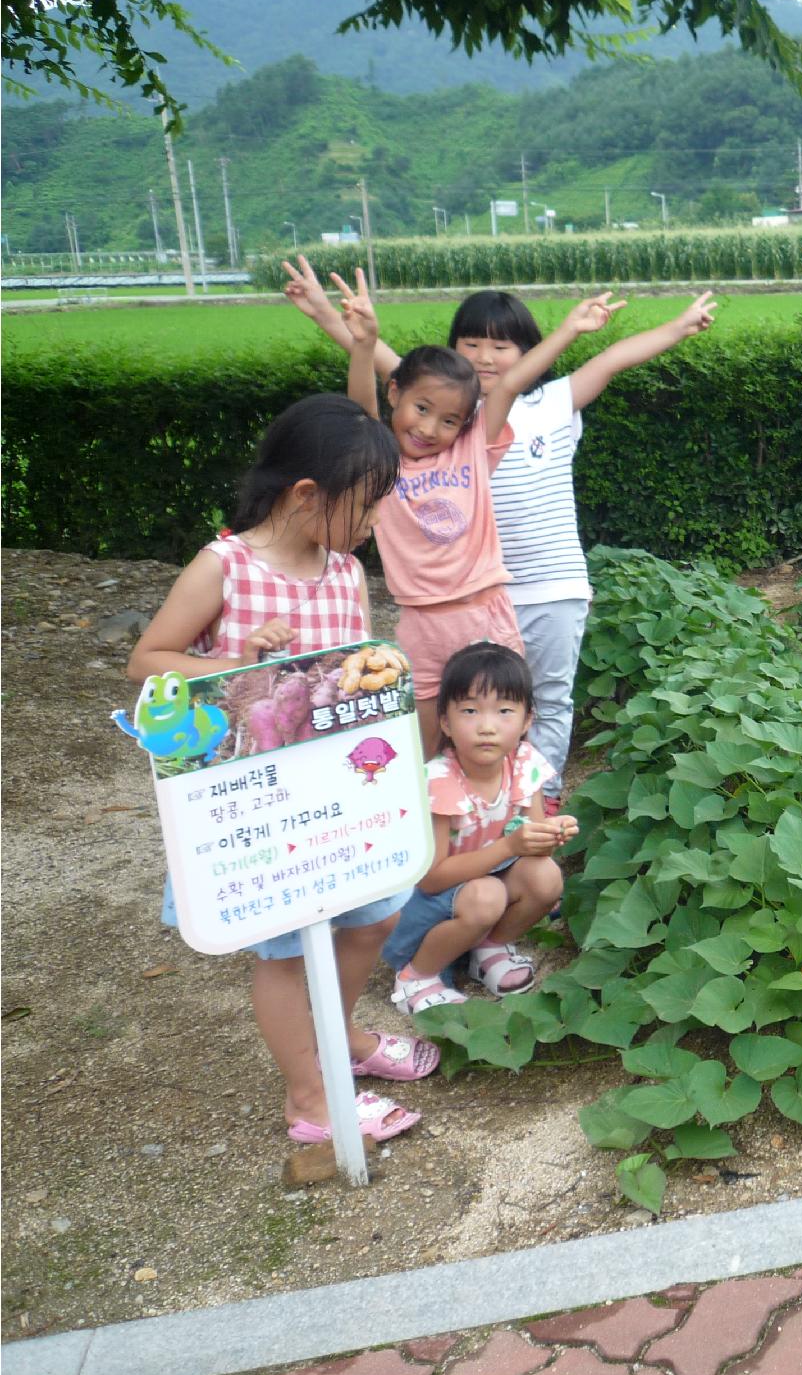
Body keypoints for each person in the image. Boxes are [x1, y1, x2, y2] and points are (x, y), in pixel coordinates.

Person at [282, 259, 717, 796]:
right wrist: (339, 322)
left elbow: (555, 373)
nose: (485, 356)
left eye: (501, 345)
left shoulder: (476, 437)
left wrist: (581, 330)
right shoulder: (396, 452)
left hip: (510, 599)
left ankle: (529, 809)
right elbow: (377, 386)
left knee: (518, 713)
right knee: (430, 735)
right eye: (472, 344)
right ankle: (433, 827)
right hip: (429, 616)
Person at [126, 394, 437, 1144]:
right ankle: (311, 1097)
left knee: (378, 913)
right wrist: (240, 662)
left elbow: (345, 672)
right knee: (287, 949)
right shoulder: (224, 567)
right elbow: (147, 661)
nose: (370, 527)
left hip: (333, 791)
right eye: (364, 509)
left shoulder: (344, 572)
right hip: (256, 794)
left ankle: (342, 1038)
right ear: (306, 497)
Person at [330, 268, 619, 757]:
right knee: (428, 743)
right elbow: (363, 409)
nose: (429, 428)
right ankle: (438, 824)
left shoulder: (471, 452)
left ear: (465, 424)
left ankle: (512, 818)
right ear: (396, 394)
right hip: (420, 622)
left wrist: (569, 330)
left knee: (500, 732)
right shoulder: (383, 465)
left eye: (448, 420)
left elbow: (509, 386)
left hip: (487, 613)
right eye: (421, 410)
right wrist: (364, 344)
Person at [381, 642, 576, 1012]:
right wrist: (508, 848)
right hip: (427, 908)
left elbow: (533, 847)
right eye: (470, 710)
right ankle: (417, 976)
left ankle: (487, 947)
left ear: (527, 720)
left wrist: (550, 833)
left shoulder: (523, 763)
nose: (487, 726)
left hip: (482, 891)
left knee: (546, 876)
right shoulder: (439, 781)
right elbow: (432, 878)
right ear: (445, 722)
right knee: (487, 895)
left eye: (504, 710)